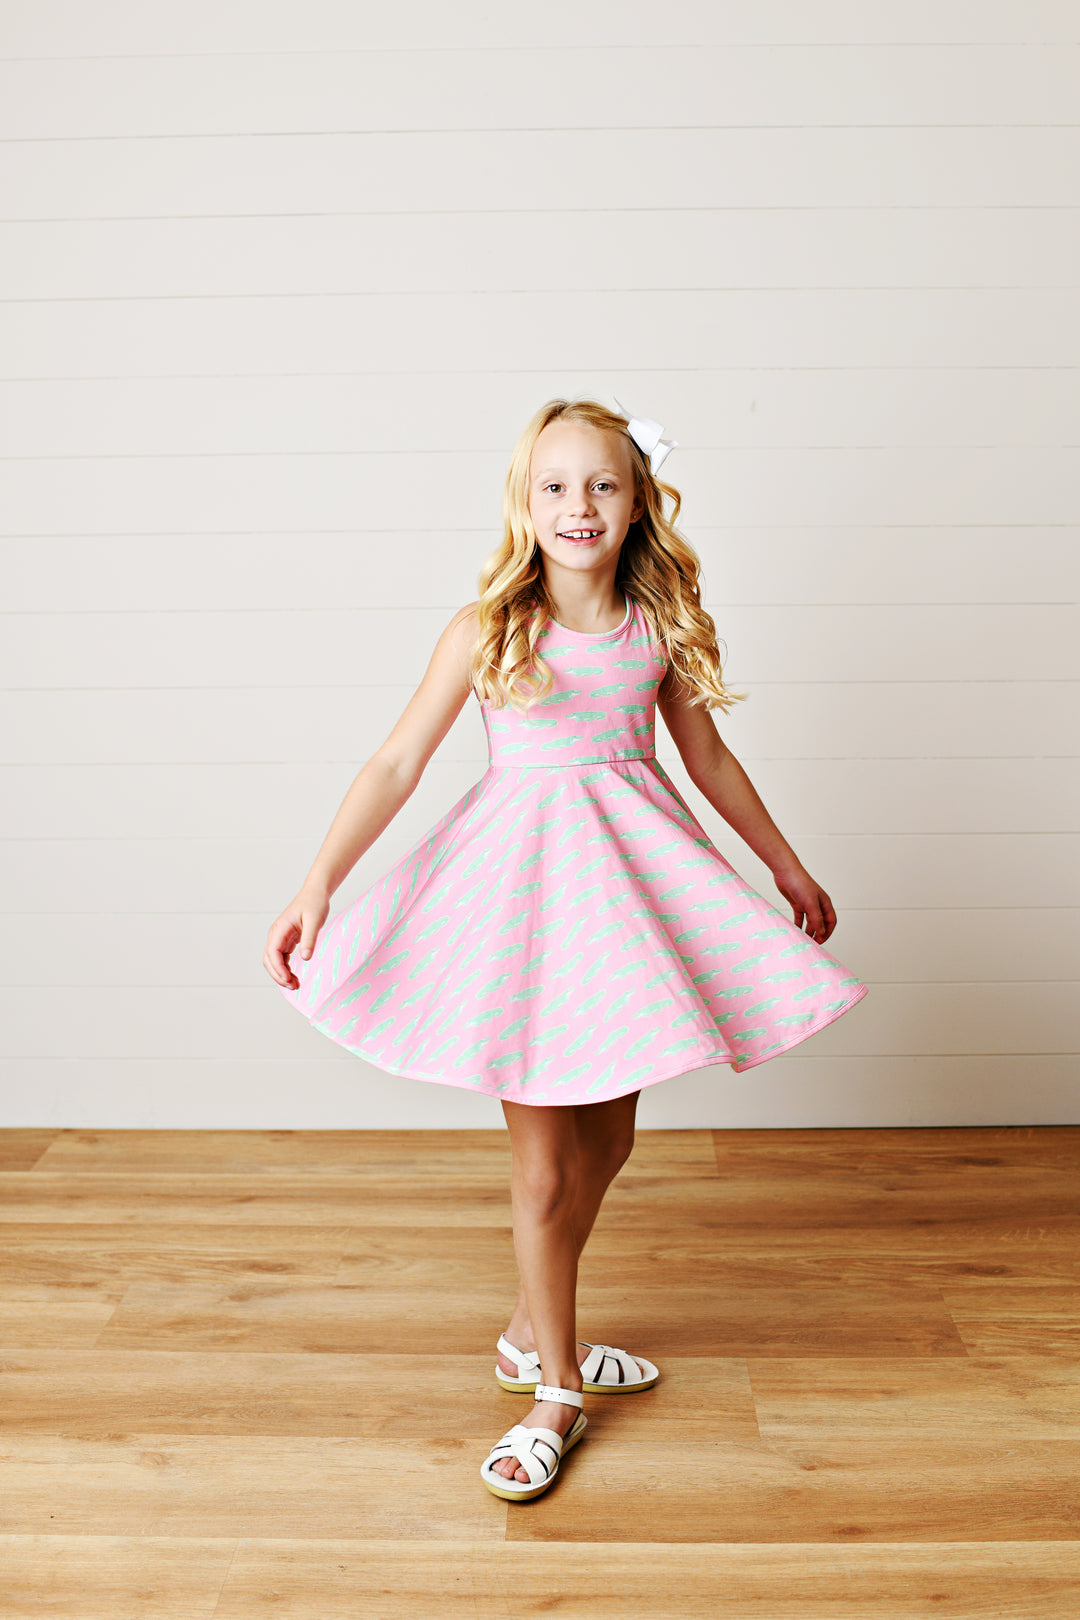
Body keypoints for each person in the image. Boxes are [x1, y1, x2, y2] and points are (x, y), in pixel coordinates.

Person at [263, 397, 869, 1502]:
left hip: (628, 908)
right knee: (543, 1171)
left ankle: (527, 1329)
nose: (576, 505)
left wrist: (785, 864)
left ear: (637, 501)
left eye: (601, 484)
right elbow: (397, 765)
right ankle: (556, 1391)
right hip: (522, 909)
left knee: (611, 1143)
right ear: (524, 503)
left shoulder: (655, 624)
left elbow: (709, 761)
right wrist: (319, 885)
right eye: (554, 486)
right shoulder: (488, 627)